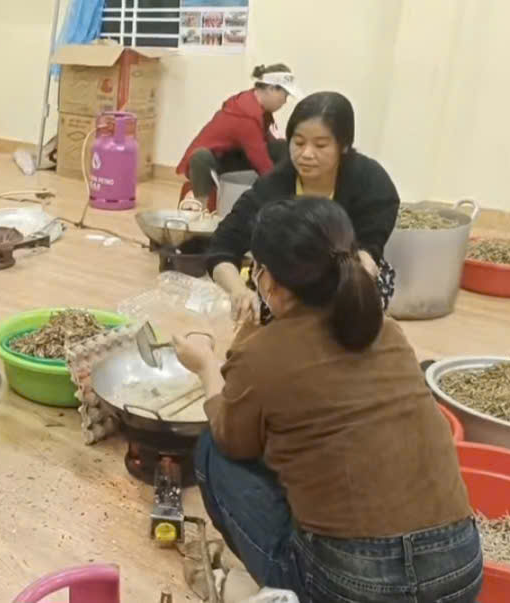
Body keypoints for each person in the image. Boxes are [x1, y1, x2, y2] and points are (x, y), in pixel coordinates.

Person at [174, 198, 481, 602]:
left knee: (214, 450)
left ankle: (262, 588)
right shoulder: (386, 331)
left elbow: (233, 437)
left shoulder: (265, 353)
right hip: (460, 572)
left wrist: (205, 367)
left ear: (267, 280)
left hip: (356, 587)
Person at [206, 91, 399, 326]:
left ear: (344, 145)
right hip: (287, 281)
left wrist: (365, 262)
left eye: (320, 145)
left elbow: (369, 249)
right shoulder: (273, 186)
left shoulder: (371, 182)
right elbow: (222, 248)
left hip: (346, 276)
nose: (306, 154)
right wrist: (238, 291)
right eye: (298, 143)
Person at [176, 64, 301, 208]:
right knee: (201, 156)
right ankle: (199, 204)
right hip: (209, 164)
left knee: (280, 146)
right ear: (272, 89)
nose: (285, 102)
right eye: (285, 96)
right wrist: (281, 195)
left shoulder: (254, 104)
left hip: (229, 157)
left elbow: (269, 143)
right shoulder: (246, 115)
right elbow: (261, 162)